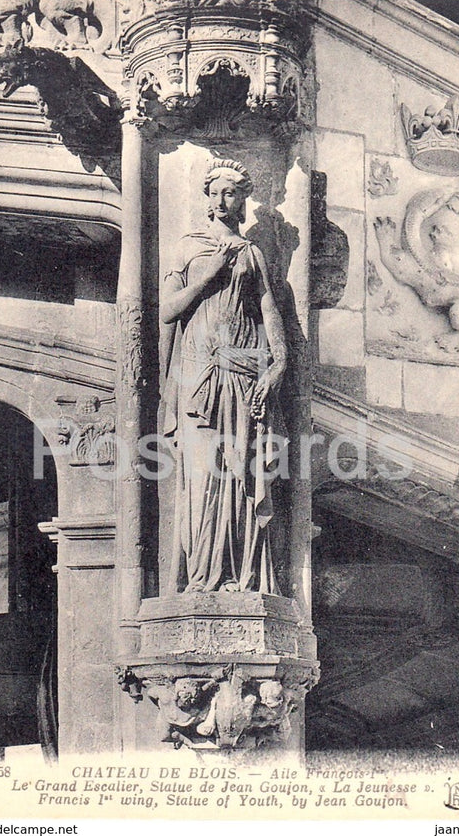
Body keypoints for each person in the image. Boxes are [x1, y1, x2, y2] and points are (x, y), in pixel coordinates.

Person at [161, 159, 288, 594]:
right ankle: (202, 576)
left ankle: (238, 576)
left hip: (245, 371)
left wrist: (280, 363)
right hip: (200, 371)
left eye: (229, 193)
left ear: (241, 200)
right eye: (214, 192)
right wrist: (209, 274)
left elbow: (269, 309)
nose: (220, 200)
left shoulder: (252, 253)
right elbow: (167, 310)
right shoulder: (189, 247)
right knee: (203, 475)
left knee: (241, 476)